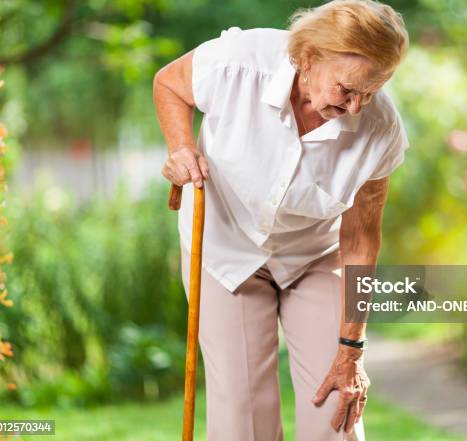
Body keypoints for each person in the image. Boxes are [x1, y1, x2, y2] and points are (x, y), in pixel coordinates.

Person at [152, 1, 410, 440]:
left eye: (370, 92)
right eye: (346, 89)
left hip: (315, 256)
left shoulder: (380, 130)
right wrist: (180, 147)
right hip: (224, 247)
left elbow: (362, 241)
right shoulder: (238, 64)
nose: (355, 107)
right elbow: (169, 84)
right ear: (307, 58)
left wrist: (353, 349)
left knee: (335, 405)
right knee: (241, 413)